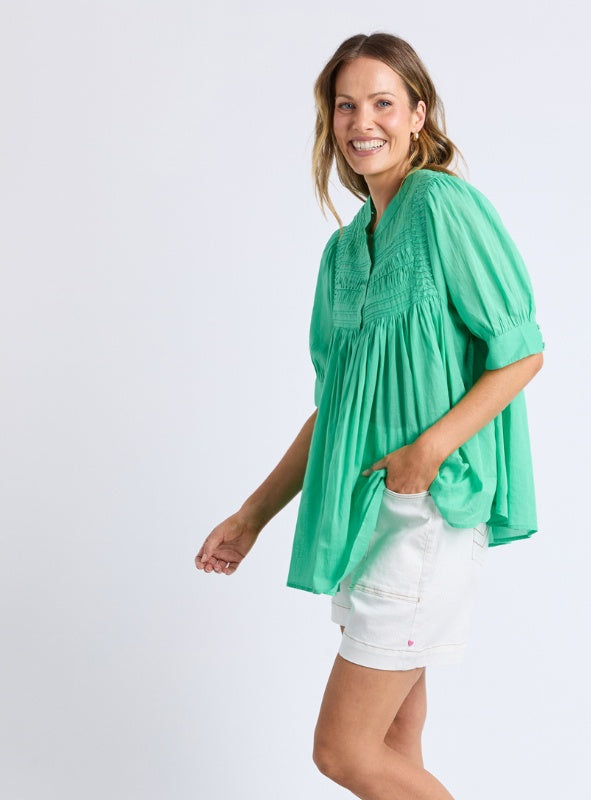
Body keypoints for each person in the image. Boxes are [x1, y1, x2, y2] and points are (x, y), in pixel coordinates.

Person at [195, 32, 545, 799]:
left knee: (342, 751)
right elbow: (333, 410)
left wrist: (428, 452)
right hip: (366, 516)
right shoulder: (344, 251)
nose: (363, 122)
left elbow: (520, 353)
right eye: (346, 105)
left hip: (426, 513)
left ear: (418, 114)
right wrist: (252, 517)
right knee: (391, 745)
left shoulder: (442, 204)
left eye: (383, 102)